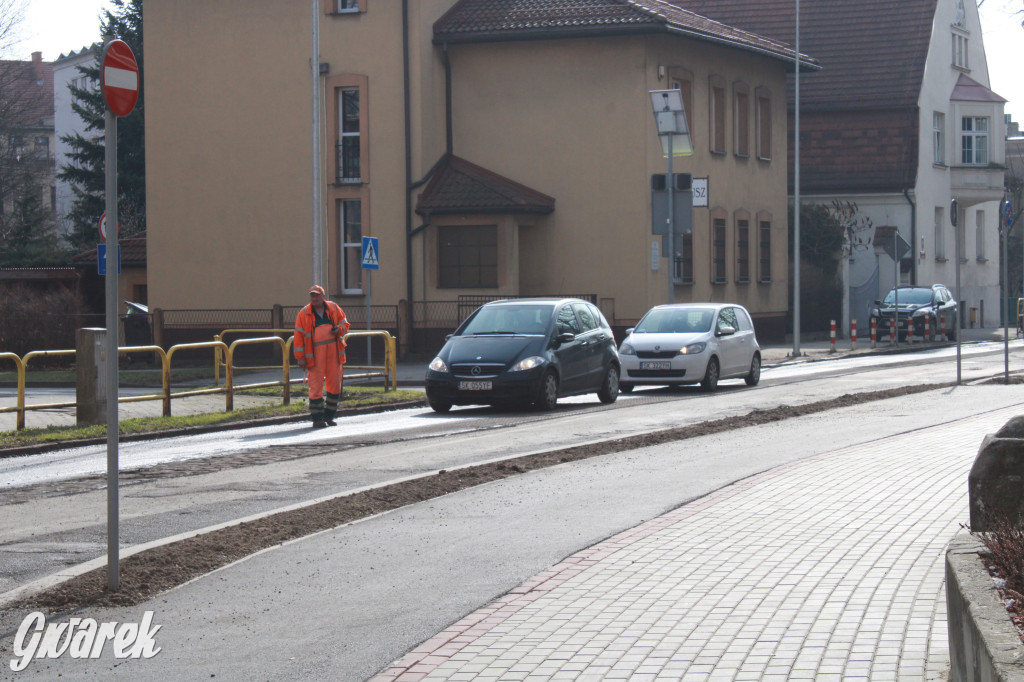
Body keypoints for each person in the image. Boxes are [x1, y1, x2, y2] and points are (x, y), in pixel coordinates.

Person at [293, 285, 350, 428]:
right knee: (315, 386)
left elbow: (345, 323)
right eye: (312, 296)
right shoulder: (304, 313)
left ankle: (329, 416)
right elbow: (298, 335)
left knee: (335, 385)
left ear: (323, 296)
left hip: (334, 353)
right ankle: (317, 419)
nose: (315, 298)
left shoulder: (334, 308)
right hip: (314, 354)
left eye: (317, 295)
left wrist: (339, 329)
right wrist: (300, 357)